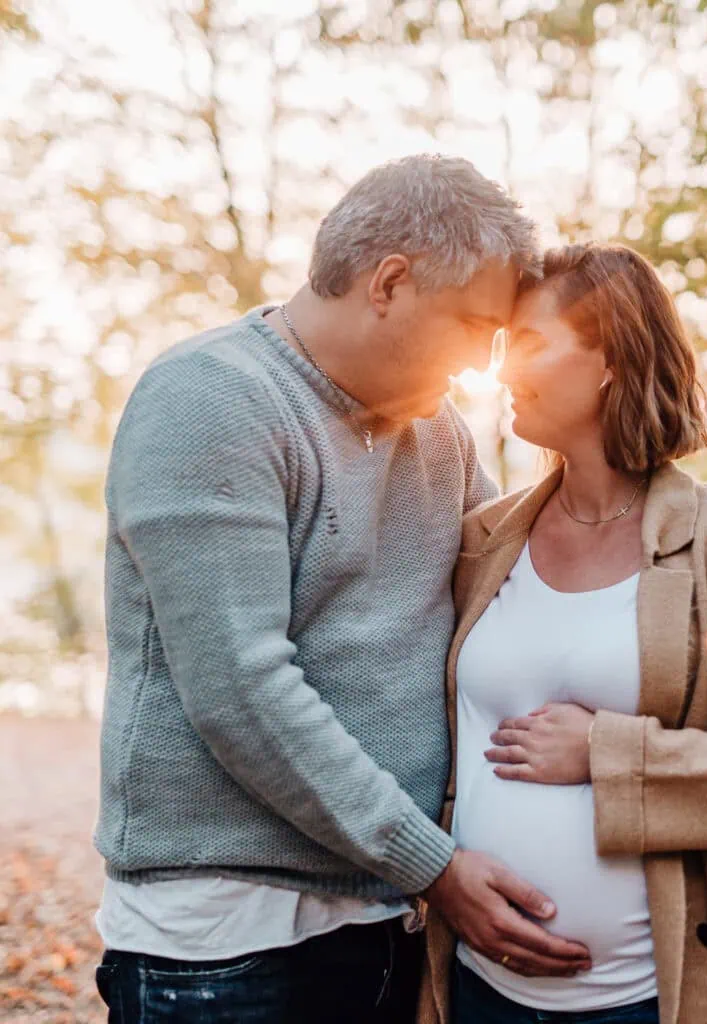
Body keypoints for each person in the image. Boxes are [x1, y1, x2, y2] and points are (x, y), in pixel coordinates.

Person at [93, 154, 591, 1024]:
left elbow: (518, 599)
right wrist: (433, 863)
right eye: (476, 325)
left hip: (385, 918)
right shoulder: (210, 401)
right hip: (224, 938)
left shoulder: (439, 437)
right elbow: (242, 688)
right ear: (390, 282)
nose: (482, 364)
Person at [419, 243, 707, 1024]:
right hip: (483, 991)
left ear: (611, 356)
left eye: (526, 343)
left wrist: (606, 754)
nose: (502, 370)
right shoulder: (482, 541)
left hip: (660, 998)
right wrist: (437, 873)